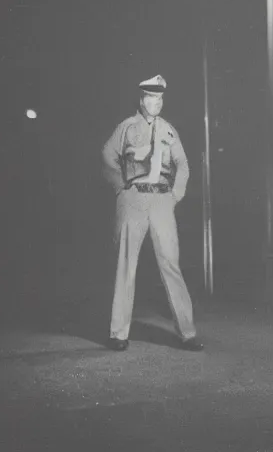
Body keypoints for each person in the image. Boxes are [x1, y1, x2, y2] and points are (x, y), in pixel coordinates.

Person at [100, 75, 203, 352]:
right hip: (133, 199)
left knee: (171, 264)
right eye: (151, 98)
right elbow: (107, 156)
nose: (156, 103)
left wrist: (175, 195)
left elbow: (183, 164)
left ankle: (188, 333)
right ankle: (118, 333)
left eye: (160, 99)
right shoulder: (127, 127)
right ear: (141, 99)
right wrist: (121, 187)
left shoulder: (169, 130)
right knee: (126, 265)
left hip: (161, 201)